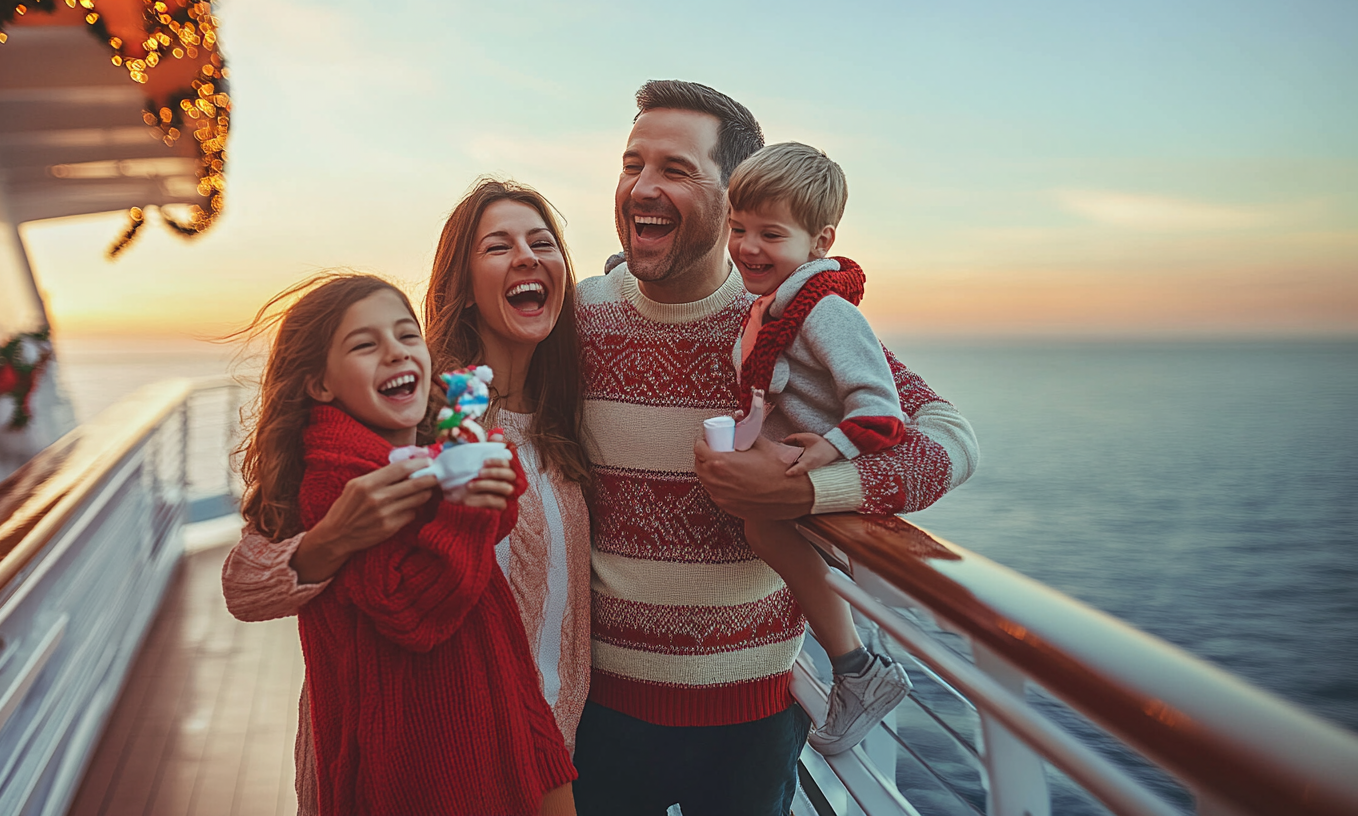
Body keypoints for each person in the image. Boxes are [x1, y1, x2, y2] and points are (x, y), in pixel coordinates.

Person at [572, 80, 979, 815]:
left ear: (736, 197)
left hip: (751, 718)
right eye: (633, 164)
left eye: (674, 169)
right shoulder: (581, 318)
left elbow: (950, 440)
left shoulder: (789, 320)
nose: (642, 187)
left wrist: (804, 493)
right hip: (599, 711)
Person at [221, 181, 591, 815]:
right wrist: (332, 538)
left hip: (539, 745)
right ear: (463, 287)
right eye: (498, 246)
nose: (527, 256)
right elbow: (244, 581)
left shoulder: (568, 414)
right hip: (415, 765)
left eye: (543, 241)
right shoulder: (408, 420)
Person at [725, 140, 912, 754]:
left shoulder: (826, 313)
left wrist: (828, 450)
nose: (748, 247)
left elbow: (883, 415)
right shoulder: (773, 305)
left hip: (818, 485)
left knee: (765, 529)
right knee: (760, 529)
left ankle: (859, 668)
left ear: (819, 241)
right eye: (738, 228)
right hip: (786, 483)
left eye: (770, 235)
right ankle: (856, 666)